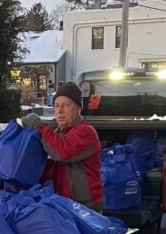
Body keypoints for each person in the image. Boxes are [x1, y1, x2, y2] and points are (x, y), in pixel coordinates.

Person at [20, 82, 104, 211]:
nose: (59, 111)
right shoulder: (59, 133)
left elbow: (62, 152)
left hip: (86, 208)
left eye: (66, 105)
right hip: (66, 204)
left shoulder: (85, 131)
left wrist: (39, 126)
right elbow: (53, 164)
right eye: (56, 105)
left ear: (78, 108)